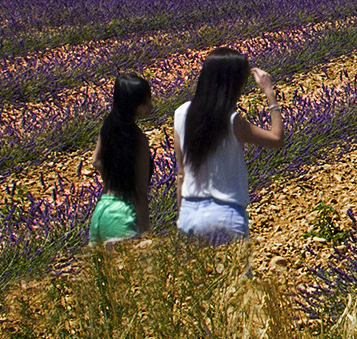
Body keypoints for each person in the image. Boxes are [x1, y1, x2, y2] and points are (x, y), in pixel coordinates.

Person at [170, 47, 286, 244]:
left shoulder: (181, 113)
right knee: (233, 275)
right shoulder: (231, 121)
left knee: (197, 275)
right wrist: (270, 94)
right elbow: (277, 139)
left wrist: (181, 221)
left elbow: (181, 174)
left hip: (190, 214)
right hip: (224, 216)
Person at [88, 73, 156, 244]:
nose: (151, 104)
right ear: (137, 105)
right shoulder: (138, 138)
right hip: (123, 214)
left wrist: (113, 176)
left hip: (102, 211)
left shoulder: (108, 127)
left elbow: (96, 161)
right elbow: (140, 193)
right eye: (148, 99)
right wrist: (146, 232)